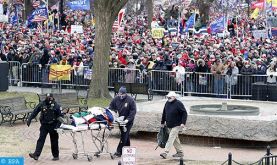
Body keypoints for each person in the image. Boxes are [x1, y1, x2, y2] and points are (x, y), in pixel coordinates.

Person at [27, 93, 63, 161]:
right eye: (48, 97)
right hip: (44, 125)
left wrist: (57, 126)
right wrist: (29, 119)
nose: (49, 99)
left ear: (52, 98)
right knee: (41, 139)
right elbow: (35, 111)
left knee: (54, 141)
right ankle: (36, 155)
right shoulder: (42, 104)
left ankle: (56, 156)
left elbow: (61, 117)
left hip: (53, 125)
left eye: (50, 98)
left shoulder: (56, 105)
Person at [109, 86, 137, 157]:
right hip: (120, 119)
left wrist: (127, 120)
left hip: (128, 121)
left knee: (124, 135)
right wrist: (114, 114)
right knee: (125, 134)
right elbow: (111, 107)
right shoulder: (116, 99)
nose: (121, 96)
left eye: (122, 94)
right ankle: (127, 149)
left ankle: (119, 152)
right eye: (119, 94)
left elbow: (133, 111)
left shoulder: (130, 100)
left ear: (125, 94)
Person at [160, 91, 188, 159]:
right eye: (167, 97)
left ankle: (165, 152)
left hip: (177, 125)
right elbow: (164, 113)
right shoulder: (167, 103)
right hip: (169, 124)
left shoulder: (178, 103)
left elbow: (184, 113)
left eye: (170, 97)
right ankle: (180, 152)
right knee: (175, 139)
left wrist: (183, 123)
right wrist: (162, 122)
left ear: (174, 97)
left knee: (171, 137)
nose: (168, 98)